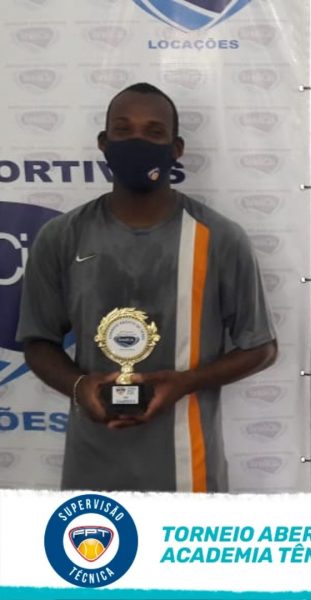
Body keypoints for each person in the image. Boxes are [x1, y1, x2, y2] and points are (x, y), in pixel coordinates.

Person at [17, 82, 277, 493]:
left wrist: (184, 383)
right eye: (124, 130)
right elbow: (38, 342)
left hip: (188, 467)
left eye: (154, 133)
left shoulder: (219, 237)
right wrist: (81, 387)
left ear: (176, 148)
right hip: (91, 468)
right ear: (104, 143)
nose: (137, 142)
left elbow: (261, 348)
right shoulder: (61, 236)